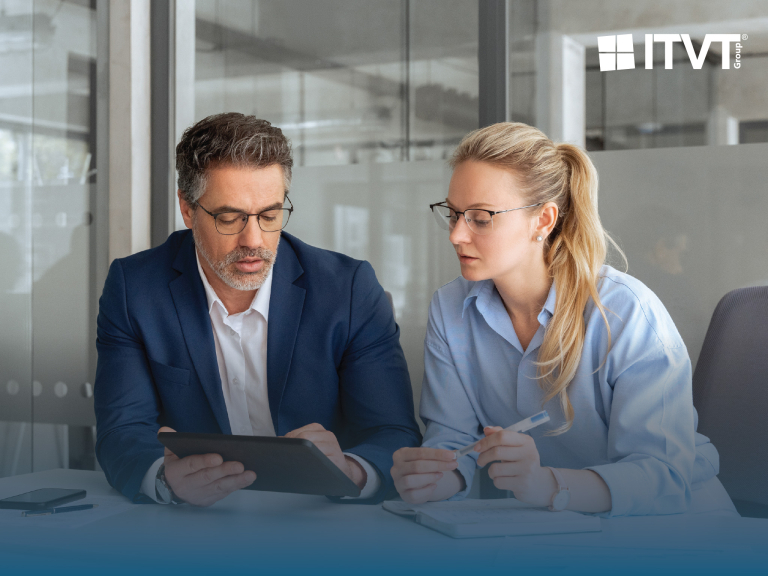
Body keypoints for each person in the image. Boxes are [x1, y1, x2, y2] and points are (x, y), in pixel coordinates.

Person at [391, 122, 735, 516]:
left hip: (678, 531)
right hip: (561, 530)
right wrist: (434, 477)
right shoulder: (450, 308)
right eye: (453, 214)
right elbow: (452, 442)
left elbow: (662, 476)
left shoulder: (625, 312)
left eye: (480, 218)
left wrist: (545, 484)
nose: (456, 235)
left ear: (543, 220)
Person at [95, 113, 421, 506]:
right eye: (230, 218)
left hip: (323, 520)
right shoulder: (136, 289)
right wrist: (165, 480)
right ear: (187, 209)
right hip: (199, 524)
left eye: (269, 215)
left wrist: (350, 470)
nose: (254, 240)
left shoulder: (347, 290)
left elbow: (394, 432)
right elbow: (122, 430)